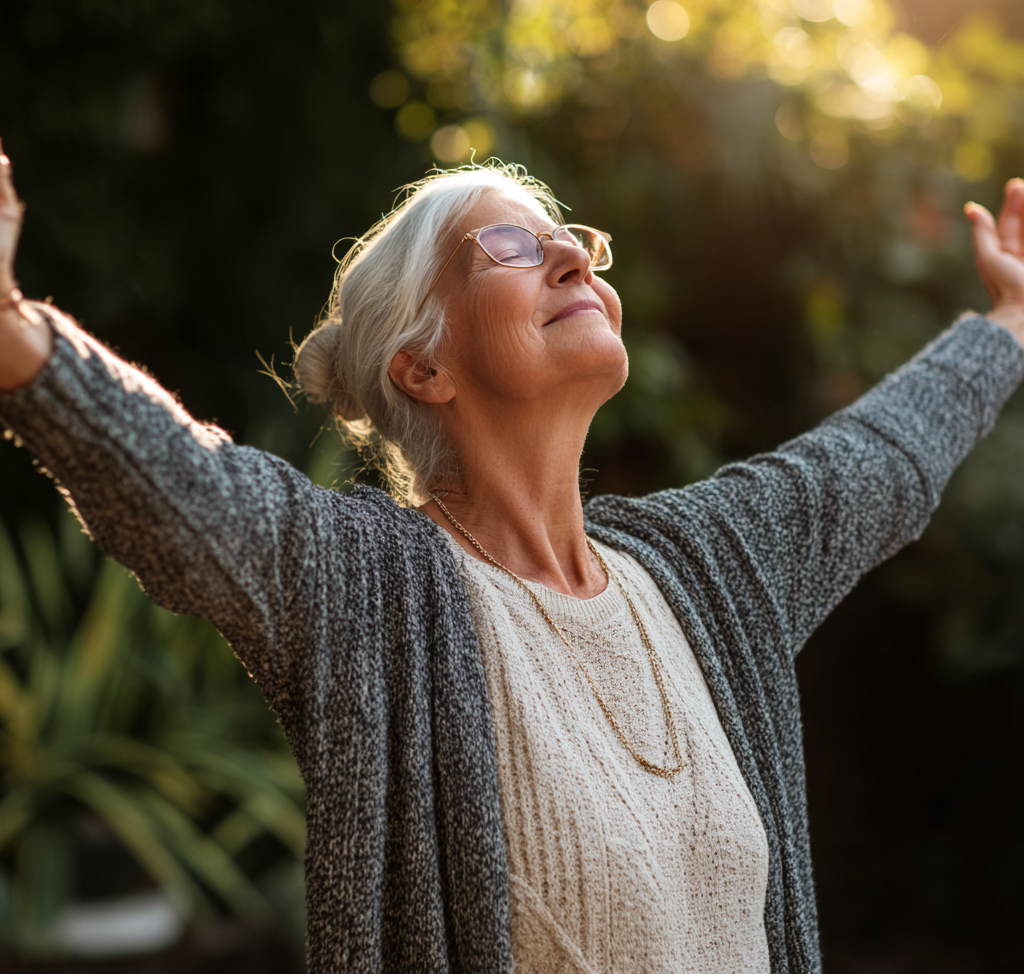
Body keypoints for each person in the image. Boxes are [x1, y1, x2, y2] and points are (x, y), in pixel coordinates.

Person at [1, 140, 1023, 974]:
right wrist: (14, 336)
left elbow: (874, 461)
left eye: (571, 241)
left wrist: (1009, 323)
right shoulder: (372, 591)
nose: (574, 260)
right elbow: (188, 490)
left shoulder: (708, 569)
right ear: (424, 366)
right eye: (506, 246)